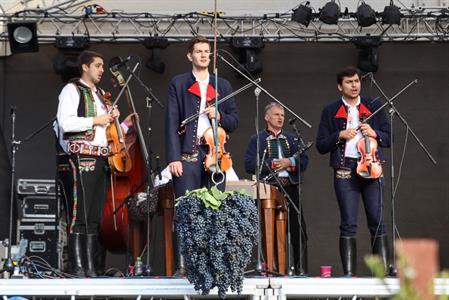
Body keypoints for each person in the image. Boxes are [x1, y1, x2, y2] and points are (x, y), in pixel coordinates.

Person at [55, 50, 134, 277]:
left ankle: (91, 268)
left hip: (101, 158)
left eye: (101, 66)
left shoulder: (100, 95)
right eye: (97, 66)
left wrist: (124, 125)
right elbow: (66, 123)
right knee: (78, 215)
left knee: (93, 217)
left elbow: (106, 133)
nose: (101, 70)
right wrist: (98, 119)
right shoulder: (72, 90)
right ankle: (77, 267)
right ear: (85, 67)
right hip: (79, 158)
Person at [165, 36, 238, 275]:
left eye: (207, 51)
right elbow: (172, 122)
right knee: (187, 210)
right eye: (199, 51)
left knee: (214, 211)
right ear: (190, 56)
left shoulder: (223, 85)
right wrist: (173, 157)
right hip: (188, 155)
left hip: (217, 155)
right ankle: (184, 266)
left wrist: (220, 116)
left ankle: (210, 266)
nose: (204, 55)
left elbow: (234, 121)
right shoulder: (178, 83)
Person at [316, 66, 393, 277]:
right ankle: (350, 274)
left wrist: (375, 133)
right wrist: (339, 134)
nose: (354, 85)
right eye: (349, 82)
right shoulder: (330, 110)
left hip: (372, 166)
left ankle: (384, 273)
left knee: (377, 220)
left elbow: (389, 137)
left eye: (357, 81)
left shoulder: (374, 105)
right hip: (345, 169)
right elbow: (321, 145)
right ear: (340, 86)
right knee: (348, 222)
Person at [244, 102, 309, 275]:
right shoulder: (256, 139)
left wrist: (290, 162)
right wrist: (271, 164)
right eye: (276, 114)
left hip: (291, 188)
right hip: (269, 189)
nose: (281, 118)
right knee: (270, 231)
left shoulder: (292, 138)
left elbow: (305, 161)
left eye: (282, 115)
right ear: (267, 117)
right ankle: (272, 268)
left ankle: (301, 269)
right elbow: (249, 164)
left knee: (298, 230)